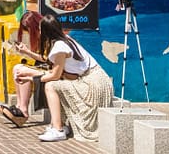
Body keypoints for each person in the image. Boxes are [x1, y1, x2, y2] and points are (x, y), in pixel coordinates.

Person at [17, 14, 113, 142]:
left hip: (92, 84)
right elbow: (58, 70)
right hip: (92, 80)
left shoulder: (59, 47)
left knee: (51, 85)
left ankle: (58, 130)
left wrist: (31, 79)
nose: (39, 32)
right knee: (58, 84)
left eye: (40, 29)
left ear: (46, 31)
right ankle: (59, 125)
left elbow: (54, 75)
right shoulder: (64, 40)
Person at [0, 9, 45, 126]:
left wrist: (28, 52)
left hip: (53, 70)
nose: (28, 33)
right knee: (17, 68)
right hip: (45, 68)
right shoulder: (40, 36)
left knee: (22, 71)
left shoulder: (47, 35)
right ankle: (20, 106)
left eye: (29, 30)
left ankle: (23, 112)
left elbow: (46, 59)